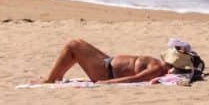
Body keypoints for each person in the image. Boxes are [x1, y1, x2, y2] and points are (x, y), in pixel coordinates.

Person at [37, 38, 173, 84]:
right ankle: (57, 75)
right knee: (75, 48)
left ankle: (51, 78)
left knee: (73, 45)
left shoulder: (157, 69)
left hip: (105, 71)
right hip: (107, 63)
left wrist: (105, 82)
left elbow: (134, 79)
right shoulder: (157, 64)